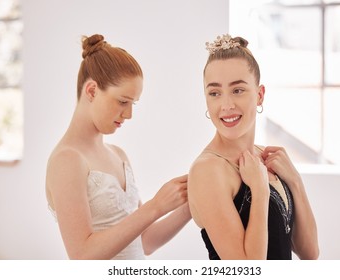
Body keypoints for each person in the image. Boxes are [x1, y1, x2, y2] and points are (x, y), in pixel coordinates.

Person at [45, 34, 191, 260]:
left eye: (133, 104)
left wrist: (189, 204)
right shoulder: (67, 159)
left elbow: (145, 242)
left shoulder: (118, 155)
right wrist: (155, 206)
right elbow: (82, 255)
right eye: (123, 101)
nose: (129, 114)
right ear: (92, 91)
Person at [188, 34, 319, 260]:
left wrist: (295, 183)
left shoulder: (266, 158)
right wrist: (259, 191)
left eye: (237, 90)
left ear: (259, 95)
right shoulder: (208, 170)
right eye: (215, 93)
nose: (226, 105)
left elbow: (310, 253)